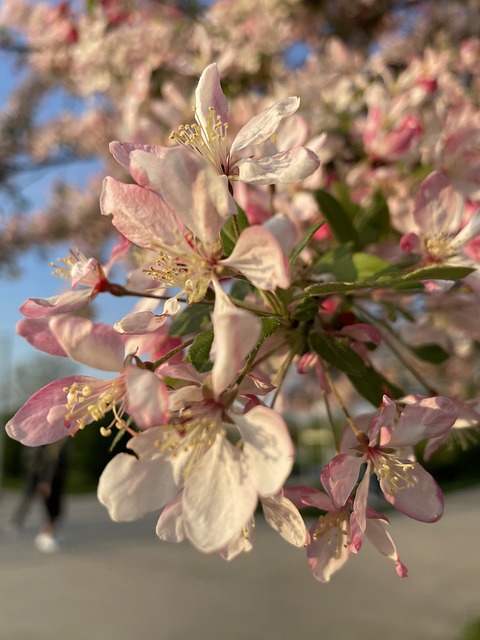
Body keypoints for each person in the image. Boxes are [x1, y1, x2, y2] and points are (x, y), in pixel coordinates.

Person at [8, 439, 70, 553]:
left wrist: (46, 479)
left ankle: (48, 534)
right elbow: (46, 461)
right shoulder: (43, 443)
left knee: (52, 506)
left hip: (52, 478)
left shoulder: (56, 442)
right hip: (41, 477)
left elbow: (55, 461)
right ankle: (20, 524)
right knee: (40, 502)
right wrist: (45, 480)